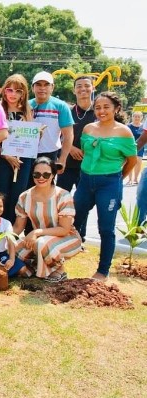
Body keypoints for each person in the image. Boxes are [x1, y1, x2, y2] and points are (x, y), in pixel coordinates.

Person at [73, 92, 137, 280]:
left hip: (109, 183)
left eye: (106, 107)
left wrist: (116, 179)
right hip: (85, 181)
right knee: (73, 221)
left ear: (116, 108)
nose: (101, 111)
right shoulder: (88, 129)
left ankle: (103, 270)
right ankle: (59, 259)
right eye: (98, 107)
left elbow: (132, 161)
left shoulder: (124, 131)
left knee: (106, 228)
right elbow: (86, 152)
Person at [13, 157, 82, 282]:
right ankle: (37, 267)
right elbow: (18, 227)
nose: (41, 177)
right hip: (38, 239)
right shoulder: (24, 196)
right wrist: (4, 241)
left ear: (53, 175)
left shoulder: (63, 195)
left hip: (67, 238)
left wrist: (37, 232)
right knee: (12, 249)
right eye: (37, 174)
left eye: (46, 174)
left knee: (42, 243)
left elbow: (64, 229)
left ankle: (59, 270)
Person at [0, 74, 35, 222]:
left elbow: (29, 138)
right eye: (10, 90)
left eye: (18, 91)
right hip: (2, 159)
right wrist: (6, 155)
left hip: (23, 160)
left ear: (24, 93)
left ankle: (12, 231)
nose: (13, 94)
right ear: (4, 91)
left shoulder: (28, 110)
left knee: (18, 195)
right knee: (1, 195)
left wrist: (36, 134)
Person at [29, 71, 74, 174]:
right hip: (27, 154)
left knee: (46, 186)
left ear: (52, 87)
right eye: (38, 84)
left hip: (50, 154)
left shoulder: (61, 106)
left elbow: (68, 135)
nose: (42, 88)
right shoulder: (26, 105)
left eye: (46, 85)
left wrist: (62, 159)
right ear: (32, 88)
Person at [57, 75, 95, 192]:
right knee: (60, 201)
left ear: (93, 88)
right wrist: (70, 148)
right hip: (66, 165)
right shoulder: (66, 111)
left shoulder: (100, 111)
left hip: (89, 166)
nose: (83, 89)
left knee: (83, 205)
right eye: (79, 86)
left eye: (87, 86)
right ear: (74, 90)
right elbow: (56, 134)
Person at [0, 193, 30, 277]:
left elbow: (11, 242)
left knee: (23, 269)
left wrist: (11, 259)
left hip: (2, 254)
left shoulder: (6, 223)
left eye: (0, 206)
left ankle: (1, 273)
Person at [127, 111, 144, 185]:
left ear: (141, 118)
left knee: (139, 162)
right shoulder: (128, 126)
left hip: (140, 147)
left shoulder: (143, 127)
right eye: (135, 116)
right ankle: (130, 179)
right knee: (130, 162)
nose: (137, 118)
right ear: (132, 117)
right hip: (129, 147)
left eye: (138, 116)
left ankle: (136, 179)